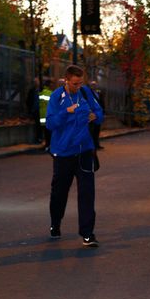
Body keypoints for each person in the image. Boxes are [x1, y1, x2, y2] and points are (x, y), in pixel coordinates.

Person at [45, 65, 105, 246]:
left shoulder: (86, 93)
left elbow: (100, 113)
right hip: (63, 153)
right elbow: (50, 123)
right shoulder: (56, 97)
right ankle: (55, 223)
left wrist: (95, 116)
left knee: (87, 193)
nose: (78, 86)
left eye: (80, 83)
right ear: (66, 80)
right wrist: (66, 112)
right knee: (59, 193)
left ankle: (87, 233)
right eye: (75, 83)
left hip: (84, 151)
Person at [87, 81, 104, 149]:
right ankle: (92, 145)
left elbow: (102, 102)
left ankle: (97, 144)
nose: (94, 86)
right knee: (92, 131)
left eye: (95, 85)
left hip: (99, 113)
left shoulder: (98, 93)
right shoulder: (88, 94)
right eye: (92, 85)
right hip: (92, 114)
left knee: (97, 130)